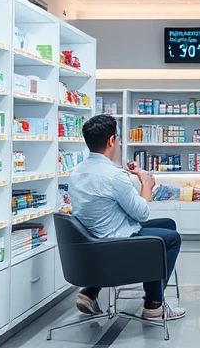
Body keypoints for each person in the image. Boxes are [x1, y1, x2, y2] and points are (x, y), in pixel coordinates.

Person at [68, 114, 185, 321]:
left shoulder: (77, 172)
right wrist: (146, 184)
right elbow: (142, 212)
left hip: (92, 242)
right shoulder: (114, 176)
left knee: (168, 224)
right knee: (170, 238)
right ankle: (154, 305)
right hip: (116, 245)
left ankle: (90, 292)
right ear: (112, 141)